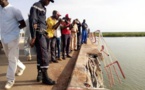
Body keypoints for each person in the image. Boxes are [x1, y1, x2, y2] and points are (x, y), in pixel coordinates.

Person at [0, 0, 26, 89]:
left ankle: (10, 79)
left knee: (12, 58)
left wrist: (14, 30)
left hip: (13, 37)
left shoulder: (14, 10)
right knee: (10, 57)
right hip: (3, 38)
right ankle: (22, 67)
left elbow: (23, 24)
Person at [29, 0, 55, 85]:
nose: (49, 2)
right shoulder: (36, 6)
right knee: (44, 55)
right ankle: (45, 77)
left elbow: (41, 22)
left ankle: (40, 74)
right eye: (49, 0)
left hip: (42, 33)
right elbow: (33, 21)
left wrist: (45, 32)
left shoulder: (43, 8)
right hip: (39, 34)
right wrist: (33, 36)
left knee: (40, 55)